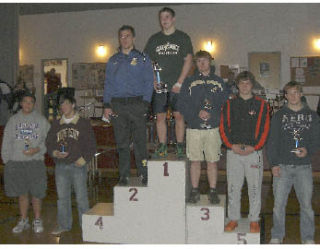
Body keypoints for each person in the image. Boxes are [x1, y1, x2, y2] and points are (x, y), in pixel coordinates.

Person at [267, 81, 320, 244]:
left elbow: (316, 139)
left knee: (306, 206)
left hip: (303, 167)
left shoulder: (312, 116)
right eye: (289, 93)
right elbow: (272, 141)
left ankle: (308, 238)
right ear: (285, 96)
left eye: (296, 92)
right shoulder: (278, 116)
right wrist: (274, 164)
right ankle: (277, 235)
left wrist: (307, 151)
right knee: (278, 205)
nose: (293, 96)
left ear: (301, 94)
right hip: (283, 167)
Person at [219, 71, 270, 233]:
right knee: (233, 187)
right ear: (237, 85)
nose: (245, 86)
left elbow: (265, 129)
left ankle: (254, 219)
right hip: (233, 151)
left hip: (254, 153)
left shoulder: (262, 105)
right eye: (241, 83)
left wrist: (254, 147)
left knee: (255, 188)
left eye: (248, 83)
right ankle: (233, 218)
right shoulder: (229, 104)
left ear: (252, 85)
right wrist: (230, 146)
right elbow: (223, 127)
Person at [103, 25, 154, 186]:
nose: (124, 39)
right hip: (118, 106)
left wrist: (146, 103)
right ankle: (124, 175)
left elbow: (149, 82)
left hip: (137, 105)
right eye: (122, 36)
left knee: (140, 144)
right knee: (122, 143)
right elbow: (108, 84)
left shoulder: (143, 58)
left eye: (127, 36)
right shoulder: (113, 60)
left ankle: (144, 173)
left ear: (134, 38)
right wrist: (106, 104)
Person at [178, 50, 229, 204]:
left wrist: (212, 114)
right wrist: (196, 113)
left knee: (212, 161)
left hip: (213, 128)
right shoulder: (189, 82)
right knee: (195, 161)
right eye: (198, 61)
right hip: (194, 128)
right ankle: (195, 190)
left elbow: (224, 104)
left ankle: (213, 190)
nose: (202, 63)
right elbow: (182, 104)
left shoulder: (219, 82)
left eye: (204, 60)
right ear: (195, 63)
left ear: (210, 61)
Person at [144, 7, 193, 159]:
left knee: (179, 116)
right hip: (160, 85)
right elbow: (148, 61)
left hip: (177, 85)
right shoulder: (154, 39)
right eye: (161, 18)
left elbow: (188, 60)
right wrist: (153, 80)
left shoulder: (183, 37)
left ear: (173, 19)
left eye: (167, 17)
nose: (164, 20)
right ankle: (163, 145)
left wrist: (180, 82)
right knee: (160, 117)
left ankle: (179, 145)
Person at [46, 95, 96, 235]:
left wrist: (84, 159)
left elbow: (92, 145)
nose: (63, 107)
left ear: (73, 104)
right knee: (62, 198)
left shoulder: (83, 123)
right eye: (61, 105)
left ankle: (86, 227)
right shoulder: (56, 124)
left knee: (81, 198)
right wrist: (55, 152)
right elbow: (49, 142)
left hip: (78, 166)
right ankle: (64, 225)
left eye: (66, 104)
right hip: (61, 166)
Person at [1, 92, 50, 234]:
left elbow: (48, 140)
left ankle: (37, 219)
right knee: (22, 194)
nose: (28, 104)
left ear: (34, 105)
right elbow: (7, 141)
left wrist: (38, 149)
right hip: (17, 162)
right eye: (25, 101)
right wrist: (7, 159)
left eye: (31, 102)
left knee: (36, 193)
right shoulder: (13, 120)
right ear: (21, 104)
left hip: (35, 162)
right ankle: (23, 220)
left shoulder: (41, 121)